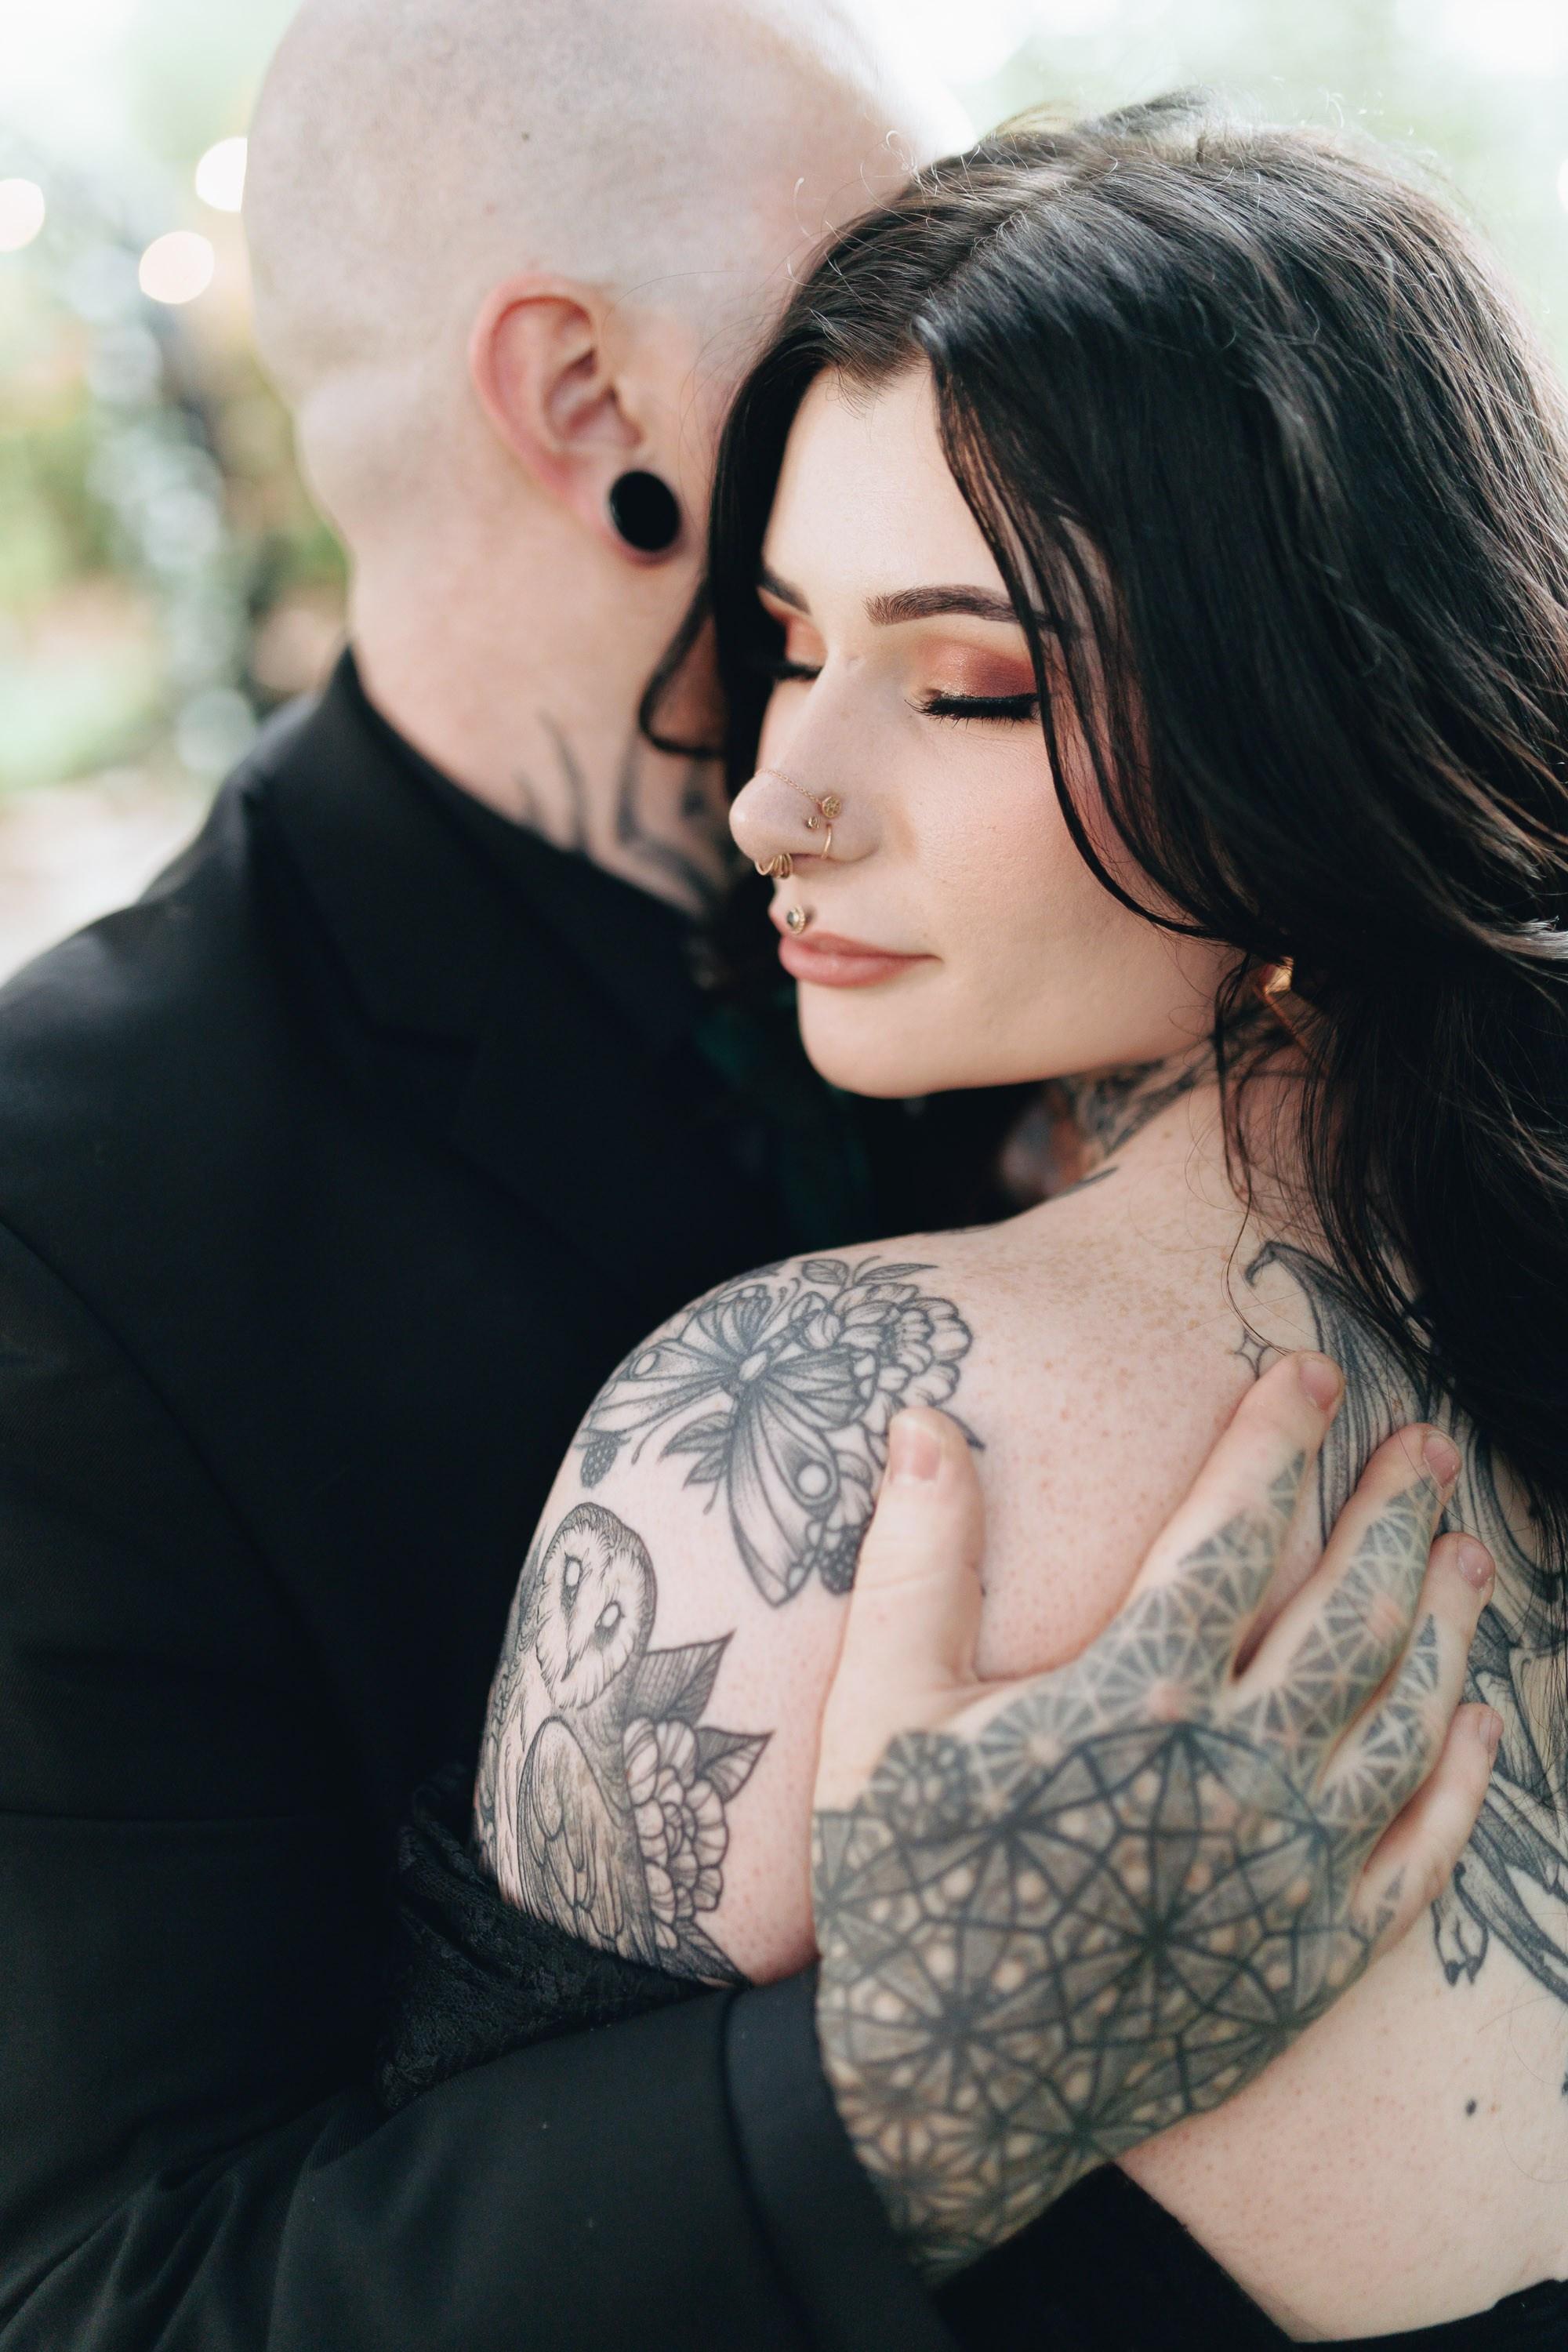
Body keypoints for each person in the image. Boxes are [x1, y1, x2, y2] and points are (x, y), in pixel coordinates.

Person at [0, 13, 1478, 2349]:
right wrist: (890, 2094)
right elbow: (107, 2293)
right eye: (853, 272)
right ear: (586, 398)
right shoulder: (70, 1208)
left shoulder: (1153, 954)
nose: (966, 317)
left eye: (966, 672)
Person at [469, 97, 1568, 2344]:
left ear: (1314, 723)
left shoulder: (806, 1444)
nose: (776, 795)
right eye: (791, 638)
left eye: (970, 680)